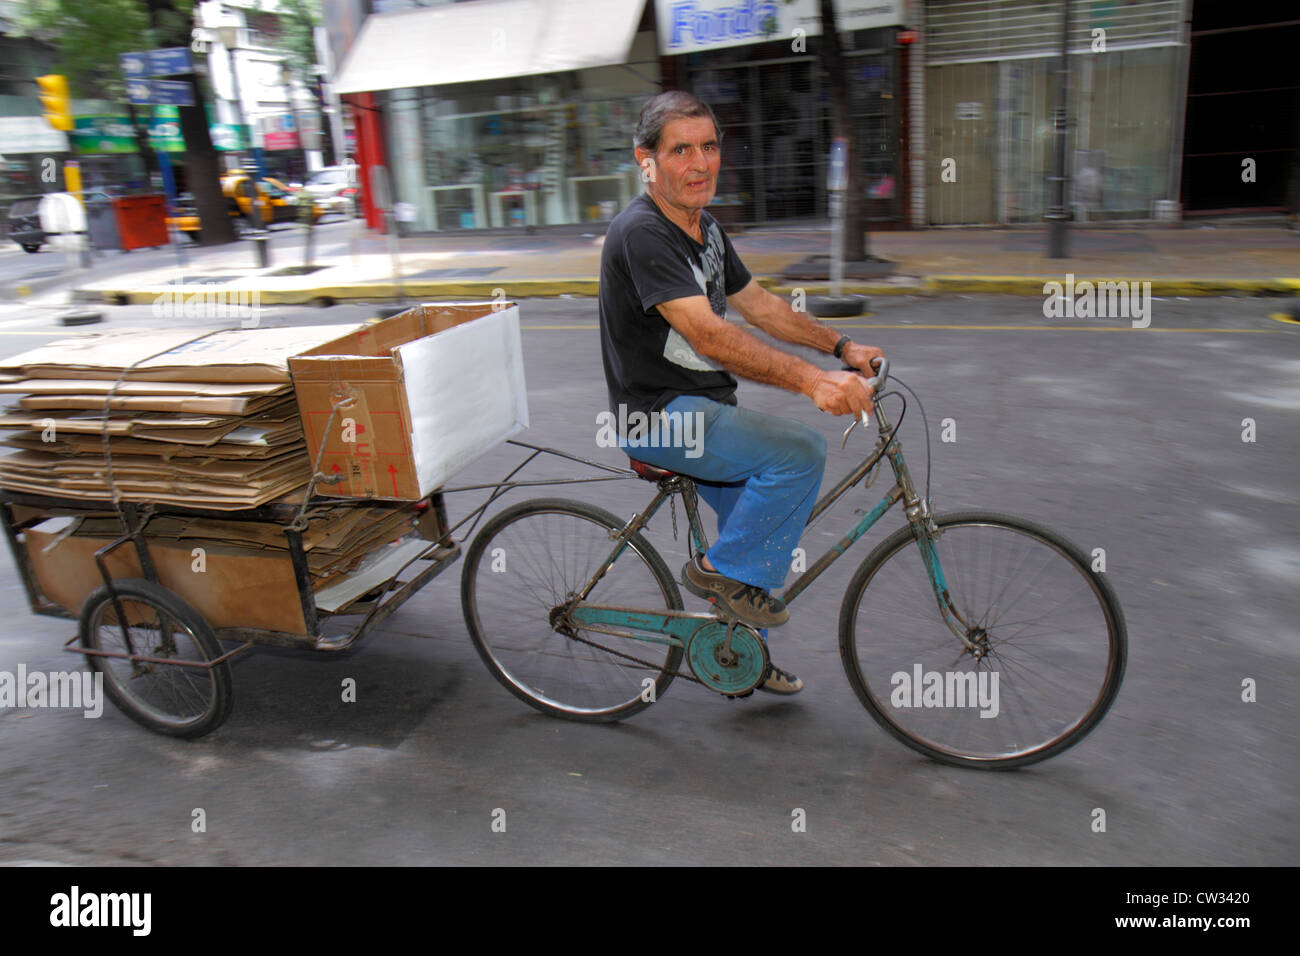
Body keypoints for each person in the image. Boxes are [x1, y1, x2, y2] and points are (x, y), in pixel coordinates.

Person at [597, 91, 883, 695]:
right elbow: (710, 335)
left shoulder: (705, 229)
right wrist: (812, 383)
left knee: (765, 539)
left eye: (708, 147)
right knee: (799, 453)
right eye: (681, 150)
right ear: (645, 160)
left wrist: (840, 348)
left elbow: (763, 308)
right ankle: (714, 573)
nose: (700, 163)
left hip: (703, 413)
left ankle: (738, 655)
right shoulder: (642, 234)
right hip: (658, 419)